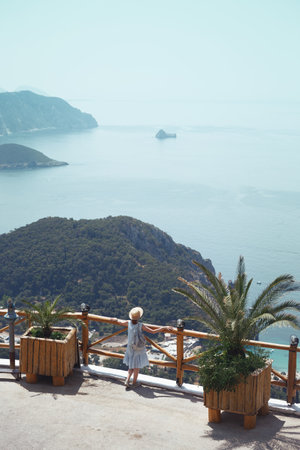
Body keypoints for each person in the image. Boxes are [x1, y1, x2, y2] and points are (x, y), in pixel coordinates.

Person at [112, 307, 173, 388]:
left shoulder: (128, 323)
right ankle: (134, 383)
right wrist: (164, 327)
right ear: (139, 317)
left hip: (130, 347)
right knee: (136, 366)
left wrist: (115, 319)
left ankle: (127, 380)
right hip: (138, 347)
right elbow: (153, 331)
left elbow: (120, 322)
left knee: (131, 365)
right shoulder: (141, 325)